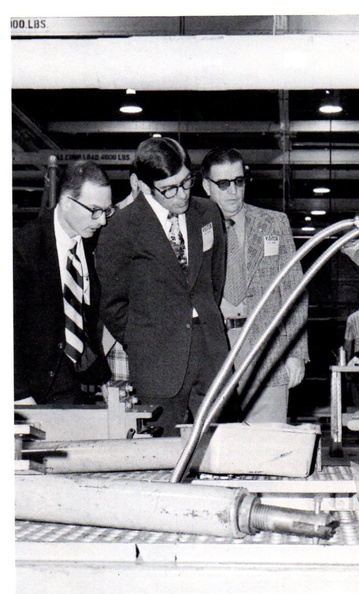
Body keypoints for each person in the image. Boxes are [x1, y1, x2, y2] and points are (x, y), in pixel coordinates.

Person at [95, 137, 229, 436]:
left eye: (186, 182)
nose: (182, 195)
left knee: (219, 450)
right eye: (169, 189)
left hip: (211, 352)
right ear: (143, 186)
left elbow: (214, 280)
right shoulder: (121, 226)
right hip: (157, 362)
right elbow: (112, 302)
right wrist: (144, 340)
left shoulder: (208, 213)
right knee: (161, 457)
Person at [201, 147, 308, 424]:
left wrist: (296, 353)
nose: (233, 191)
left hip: (265, 346)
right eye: (223, 184)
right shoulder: (192, 226)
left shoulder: (274, 223)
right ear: (206, 186)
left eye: (238, 181)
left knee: (268, 441)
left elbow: (294, 291)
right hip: (213, 346)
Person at [13, 160, 114, 405]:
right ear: (67, 202)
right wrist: (18, 395)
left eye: (107, 211)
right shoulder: (22, 247)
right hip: (29, 391)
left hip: (72, 387)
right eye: (95, 210)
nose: (102, 221)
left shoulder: (89, 245)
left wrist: (102, 380)